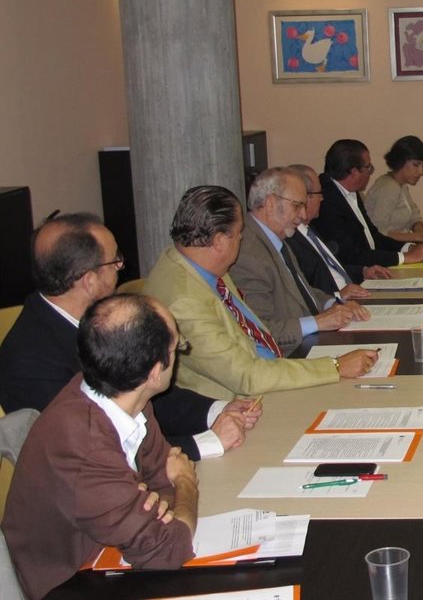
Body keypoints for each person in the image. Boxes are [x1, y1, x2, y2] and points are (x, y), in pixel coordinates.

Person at [0, 213, 259, 460]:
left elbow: (146, 389)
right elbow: (100, 449)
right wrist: (206, 443)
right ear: (89, 281)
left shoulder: (95, 318)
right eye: (115, 262)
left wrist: (216, 410)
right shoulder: (29, 363)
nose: (120, 268)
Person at [3, 294, 199, 598]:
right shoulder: (85, 447)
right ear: (154, 372)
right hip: (68, 583)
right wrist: (187, 483)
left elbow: (161, 481)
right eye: (176, 348)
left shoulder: (124, 395)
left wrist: (160, 504)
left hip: (108, 556)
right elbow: (166, 551)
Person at [145, 185, 379, 400]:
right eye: (238, 232)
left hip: (273, 371)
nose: (242, 238)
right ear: (218, 241)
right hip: (245, 401)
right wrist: (335, 367)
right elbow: (247, 376)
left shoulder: (200, 262)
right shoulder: (186, 300)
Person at [230, 168, 370, 355]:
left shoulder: (275, 237)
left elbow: (302, 291)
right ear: (270, 203)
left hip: (311, 342)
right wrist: (318, 322)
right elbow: (259, 331)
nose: (304, 215)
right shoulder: (247, 253)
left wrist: (334, 304)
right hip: (287, 356)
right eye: (297, 206)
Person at [310, 139, 423, 268]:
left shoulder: (350, 192)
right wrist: (405, 257)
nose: (370, 173)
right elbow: (349, 255)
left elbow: (374, 237)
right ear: (354, 172)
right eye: (368, 168)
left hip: (370, 266)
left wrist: (409, 248)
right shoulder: (327, 200)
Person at [286, 164, 388, 298]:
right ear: (306, 197)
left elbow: (331, 268)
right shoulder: (291, 239)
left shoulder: (309, 229)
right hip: (335, 304)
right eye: (319, 193)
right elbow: (305, 291)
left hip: (352, 294)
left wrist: (363, 271)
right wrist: (337, 296)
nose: (322, 198)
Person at [365, 135, 423, 242]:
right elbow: (377, 233)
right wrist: (417, 237)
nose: (421, 172)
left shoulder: (401, 185)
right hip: (385, 249)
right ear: (400, 162)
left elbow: (414, 216)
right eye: (416, 165)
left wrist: (422, 232)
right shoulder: (388, 188)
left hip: (398, 247)